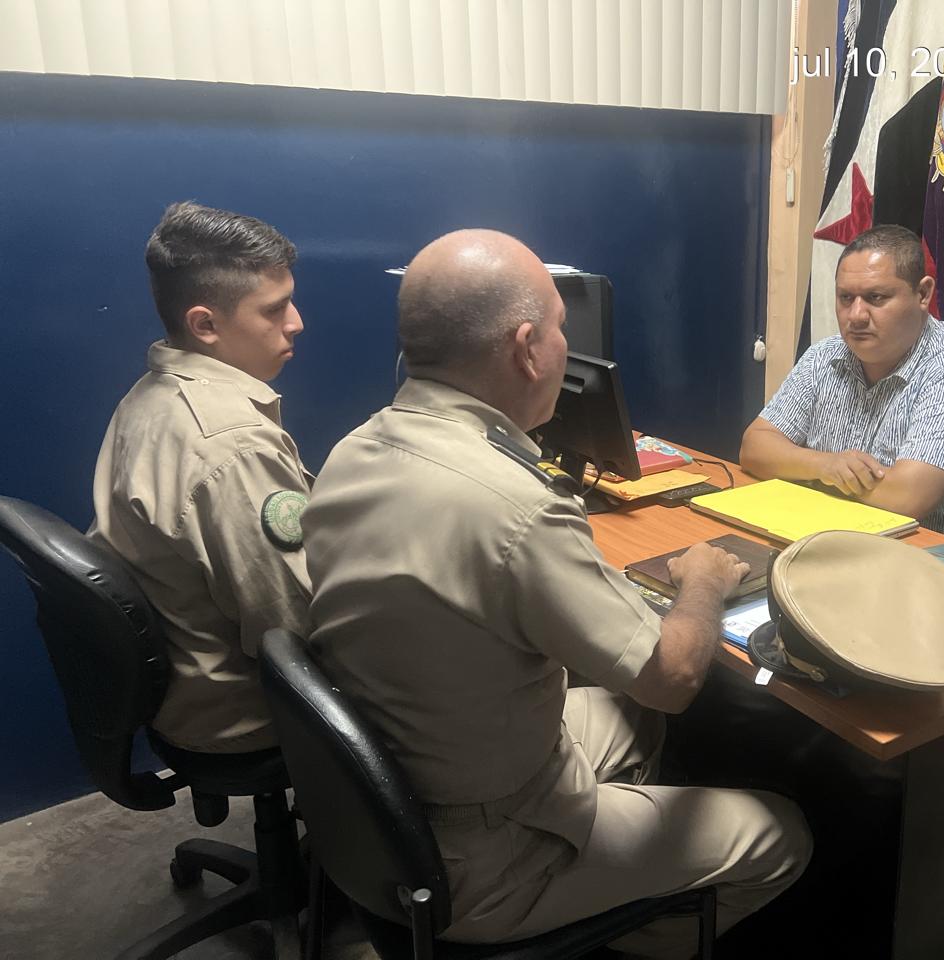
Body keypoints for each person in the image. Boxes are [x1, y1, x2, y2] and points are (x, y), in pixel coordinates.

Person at [303, 229, 812, 958]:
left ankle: (610, 885)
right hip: (483, 859)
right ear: (527, 349)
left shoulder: (353, 449)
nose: (567, 347)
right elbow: (672, 677)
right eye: (561, 329)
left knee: (631, 714)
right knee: (781, 836)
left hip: (394, 799)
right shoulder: (517, 508)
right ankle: (604, 927)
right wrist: (701, 583)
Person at [89, 201, 311, 754]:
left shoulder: (150, 395)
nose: (296, 322)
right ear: (205, 324)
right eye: (274, 309)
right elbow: (293, 628)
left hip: (182, 687)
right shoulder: (233, 446)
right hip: (245, 712)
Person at [740, 224, 944, 543]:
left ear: (923, 294)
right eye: (845, 298)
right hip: (826, 538)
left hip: (931, 558)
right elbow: (755, 447)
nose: (856, 316)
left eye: (876, 297)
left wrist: (798, 465)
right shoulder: (824, 356)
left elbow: (905, 498)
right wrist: (825, 465)